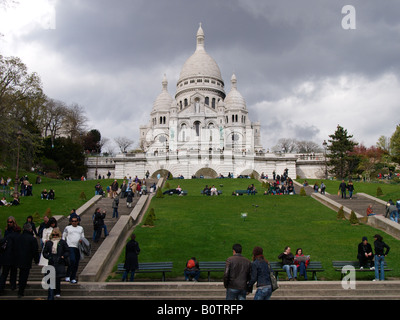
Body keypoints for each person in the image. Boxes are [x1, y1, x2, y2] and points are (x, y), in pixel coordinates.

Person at [43, 227, 69, 299]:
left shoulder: (62, 242)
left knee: (58, 278)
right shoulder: (49, 243)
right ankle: (52, 292)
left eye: (56, 235)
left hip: (59, 260)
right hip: (52, 260)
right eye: (53, 235)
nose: (55, 236)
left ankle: (57, 291)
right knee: (51, 278)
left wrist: (63, 256)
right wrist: (49, 257)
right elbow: (44, 252)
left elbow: (67, 251)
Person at [15, 223, 39, 298]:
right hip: (27, 259)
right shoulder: (32, 239)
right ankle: (21, 291)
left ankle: (19, 287)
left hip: (18, 258)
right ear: (30, 229)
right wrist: (37, 260)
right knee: (24, 275)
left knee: (21, 274)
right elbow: (35, 251)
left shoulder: (19, 237)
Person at [0, 217, 20, 294]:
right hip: (9, 255)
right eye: (8, 222)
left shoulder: (10, 233)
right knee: (6, 273)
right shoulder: (7, 232)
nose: (9, 223)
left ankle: (12, 285)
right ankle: (5, 286)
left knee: (11, 272)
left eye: (11, 222)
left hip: (11, 255)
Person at [62, 217, 85, 284]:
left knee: (76, 263)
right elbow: (64, 236)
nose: (74, 222)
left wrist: (81, 240)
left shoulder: (80, 228)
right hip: (70, 246)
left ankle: (73, 277)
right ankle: (68, 275)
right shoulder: (67, 228)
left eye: (75, 221)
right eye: (72, 221)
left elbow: (83, 236)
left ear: (78, 222)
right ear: (71, 222)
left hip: (78, 247)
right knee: (72, 260)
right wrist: (64, 245)